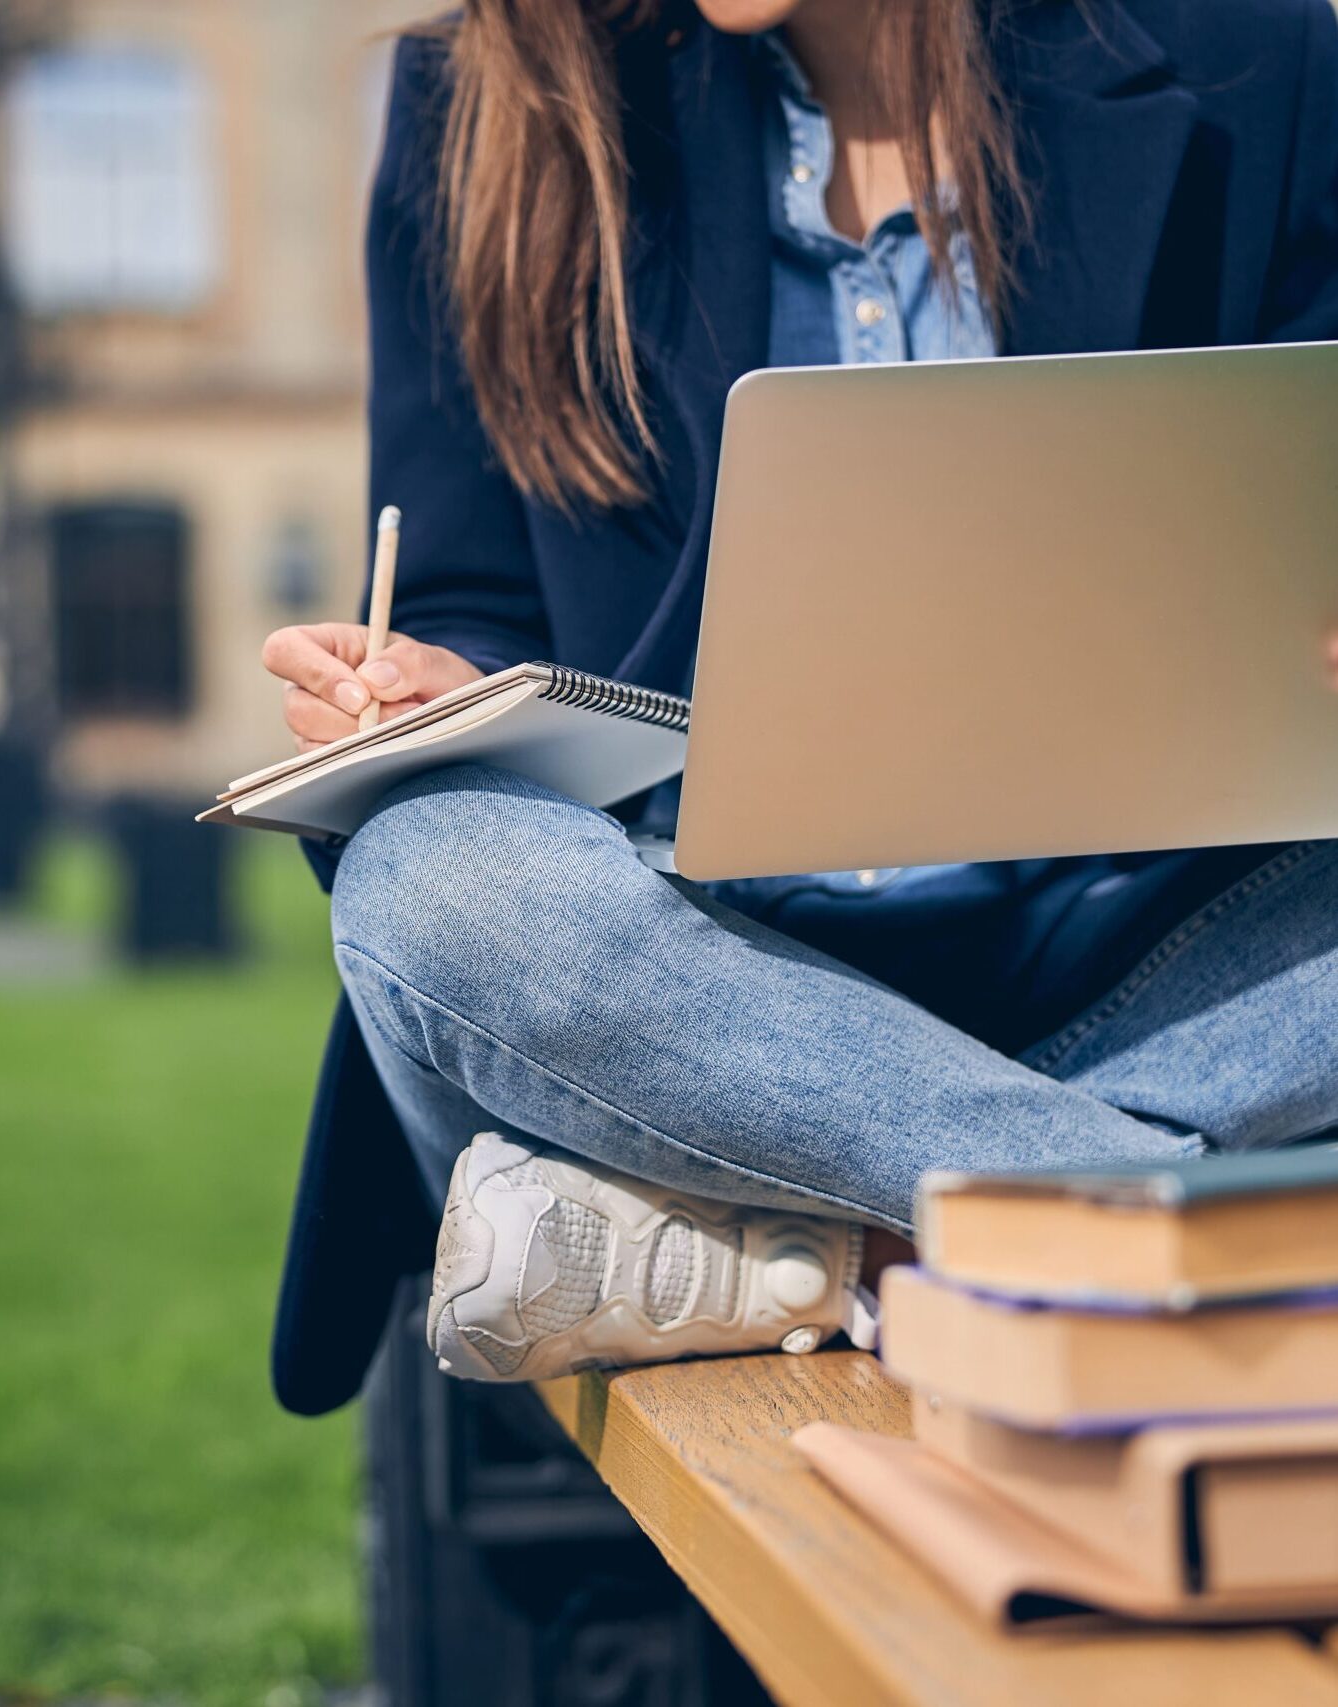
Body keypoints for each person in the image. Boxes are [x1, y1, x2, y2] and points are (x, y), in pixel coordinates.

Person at [260, 0, 1338, 1408]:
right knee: (434, 881)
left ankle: (792, 1251)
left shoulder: (1263, 59)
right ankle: (1148, 1221)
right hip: (693, 980)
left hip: (1142, 949)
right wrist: (440, 689)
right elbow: (470, 593)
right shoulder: (487, 102)